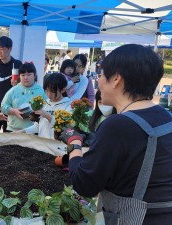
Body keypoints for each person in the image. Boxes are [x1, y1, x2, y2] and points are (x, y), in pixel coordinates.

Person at [62, 44, 172, 224]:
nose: (99, 82)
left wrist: (74, 145)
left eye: (101, 75)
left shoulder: (118, 125)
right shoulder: (166, 117)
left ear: (116, 79)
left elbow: (84, 185)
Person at [17, 73, 71, 139]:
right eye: (47, 91)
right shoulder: (44, 103)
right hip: (42, 144)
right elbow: (38, 126)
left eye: (52, 91)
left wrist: (47, 115)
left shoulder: (69, 105)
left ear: (63, 89)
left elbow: (65, 128)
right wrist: (23, 131)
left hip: (57, 146)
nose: (48, 94)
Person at [0, 62, 47, 131]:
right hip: (13, 130)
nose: (25, 77)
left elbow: (47, 108)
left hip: (33, 130)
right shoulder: (13, 90)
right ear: (19, 76)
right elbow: (3, 106)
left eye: (29, 74)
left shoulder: (41, 91)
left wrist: (37, 114)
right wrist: (14, 111)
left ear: (35, 75)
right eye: (23, 75)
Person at [0, 36, 23, 132]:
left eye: (2, 49)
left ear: (10, 49)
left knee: (9, 140)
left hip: (11, 110)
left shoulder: (17, 64)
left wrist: (18, 85)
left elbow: (27, 85)